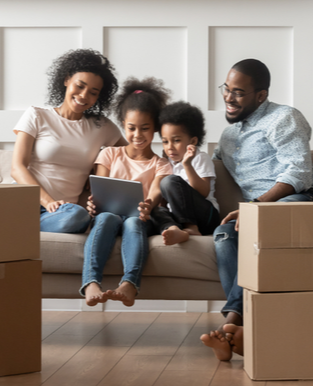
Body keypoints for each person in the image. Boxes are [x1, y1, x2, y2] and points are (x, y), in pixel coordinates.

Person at [200, 59, 313, 361]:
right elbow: (208, 168)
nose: (228, 98)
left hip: (304, 200)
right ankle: (237, 331)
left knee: (265, 222)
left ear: (260, 95)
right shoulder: (229, 136)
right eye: (226, 89)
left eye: (238, 92)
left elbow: (298, 172)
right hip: (261, 212)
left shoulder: (284, 118)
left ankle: (234, 325)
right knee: (224, 233)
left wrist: (256, 207)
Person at [11, 49, 126, 233]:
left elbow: (133, 155)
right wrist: (48, 202)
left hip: (65, 213)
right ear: (66, 80)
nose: (83, 95)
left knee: (79, 216)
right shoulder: (37, 115)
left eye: (93, 92)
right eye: (80, 86)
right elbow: (17, 168)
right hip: (25, 199)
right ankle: (14, 221)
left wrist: (97, 168)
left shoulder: (101, 126)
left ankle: (17, 226)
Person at [80, 77, 172, 307]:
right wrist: (93, 204)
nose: (137, 134)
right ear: (123, 124)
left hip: (141, 218)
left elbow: (154, 194)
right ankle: (91, 282)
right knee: (105, 217)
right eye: (131, 128)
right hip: (109, 215)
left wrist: (147, 204)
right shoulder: (110, 154)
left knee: (132, 223)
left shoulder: (161, 164)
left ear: (156, 128)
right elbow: (99, 187)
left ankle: (129, 283)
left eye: (145, 128)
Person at [151, 101, 220, 245]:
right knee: (155, 210)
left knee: (170, 181)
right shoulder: (167, 163)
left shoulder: (200, 158)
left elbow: (204, 192)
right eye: (165, 142)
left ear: (193, 141)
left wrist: (187, 164)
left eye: (176, 140)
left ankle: (191, 228)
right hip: (179, 218)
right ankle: (175, 229)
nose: (170, 147)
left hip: (206, 217)